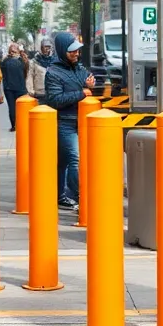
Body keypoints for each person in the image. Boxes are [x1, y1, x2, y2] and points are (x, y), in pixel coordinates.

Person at [44, 31, 95, 209]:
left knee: (64, 161)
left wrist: (88, 84)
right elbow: (55, 99)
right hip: (65, 122)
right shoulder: (53, 72)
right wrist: (81, 93)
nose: (76, 54)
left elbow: (85, 82)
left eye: (77, 51)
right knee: (74, 159)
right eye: (71, 51)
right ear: (61, 50)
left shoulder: (79, 68)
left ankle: (61, 195)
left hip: (80, 120)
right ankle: (78, 195)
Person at [0, 42, 29, 131]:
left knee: (12, 107)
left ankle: (14, 126)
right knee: (21, 108)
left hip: (9, 88)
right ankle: (22, 124)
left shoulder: (5, 61)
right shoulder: (23, 61)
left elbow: (2, 75)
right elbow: (26, 74)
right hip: (21, 87)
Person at [27, 38, 55, 102]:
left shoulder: (54, 60)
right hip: (39, 93)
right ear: (41, 48)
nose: (47, 49)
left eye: (49, 46)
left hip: (52, 92)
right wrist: (31, 90)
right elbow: (30, 76)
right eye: (45, 46)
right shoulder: (34, 61)